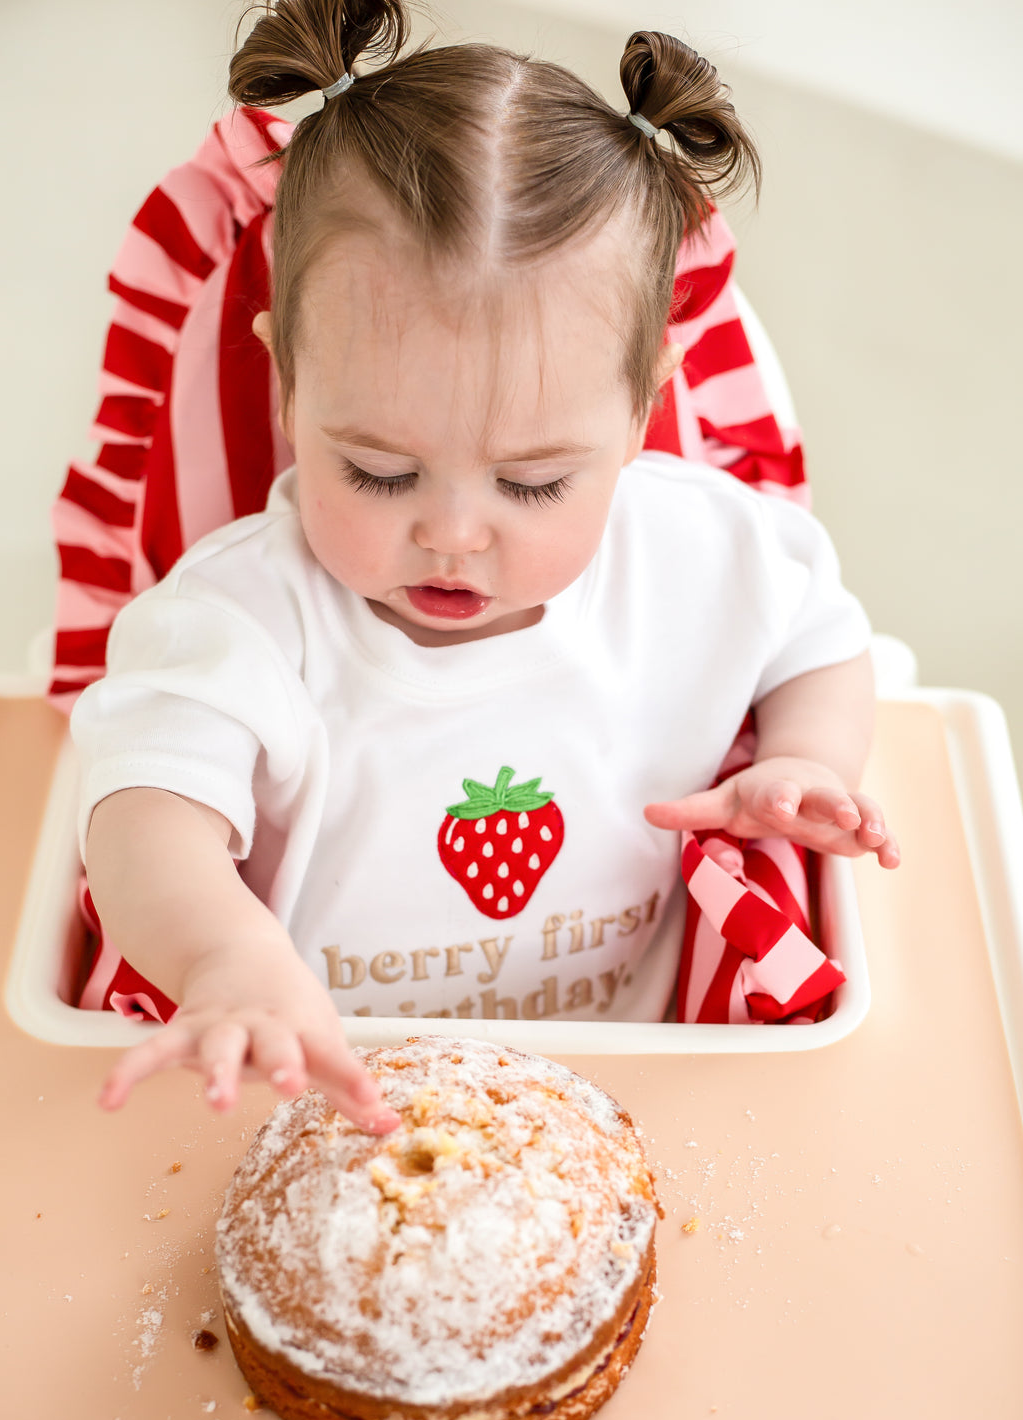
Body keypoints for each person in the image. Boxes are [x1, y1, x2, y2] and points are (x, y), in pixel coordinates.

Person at [71, 0, 897, 1134]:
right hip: (324, 1093)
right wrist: (225, 958)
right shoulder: (240, 620)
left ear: (644, 405)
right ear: (287, 388)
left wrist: (803, 757)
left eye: (532, 484)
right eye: (375, 471)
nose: (454, 534)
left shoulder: (707, 552)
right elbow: (139, 813)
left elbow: (822, 637)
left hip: (642, 1078)